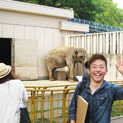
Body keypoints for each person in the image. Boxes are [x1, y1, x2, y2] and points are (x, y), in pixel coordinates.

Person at [69, 54, 123, 123]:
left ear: (106, 71)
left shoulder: (110, 89)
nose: (98, 70)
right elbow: (72, 109)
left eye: (101, 67)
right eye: (94, 67)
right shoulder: (81, 86)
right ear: (88, 70)